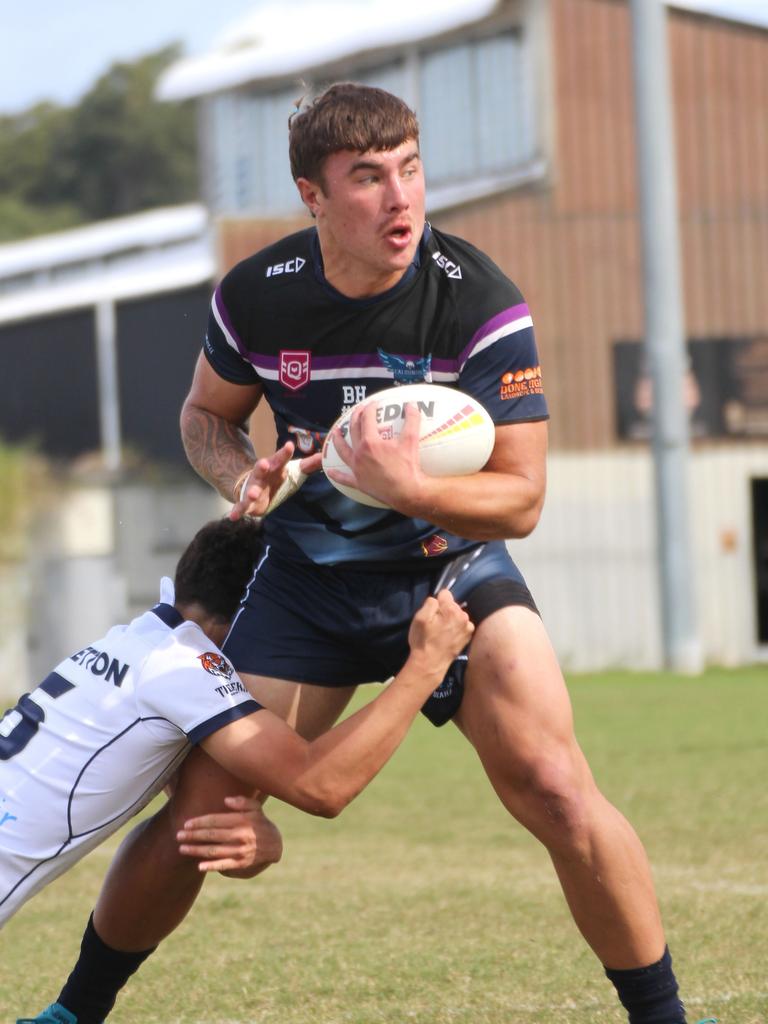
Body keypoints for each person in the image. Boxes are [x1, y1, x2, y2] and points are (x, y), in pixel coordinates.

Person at [20, 82, 710, 1024]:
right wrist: (239, 476)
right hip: (307, 583)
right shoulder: (256, 297)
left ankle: (666, 1019)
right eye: (369, 178)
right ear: (313, 196)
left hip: (452, 574)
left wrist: (414, 491)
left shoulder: (478, 300)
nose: (402, 200)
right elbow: (203, 417)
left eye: (413, 170)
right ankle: (71, 1016)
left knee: (554, 784)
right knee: (201, 815)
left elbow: (523, 498)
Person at [8, 516, 472, 1023]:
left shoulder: (133, 639)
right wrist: (425, 666)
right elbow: (322, 785)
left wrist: (258, 841)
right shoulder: (186, 665)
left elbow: (187, 803)